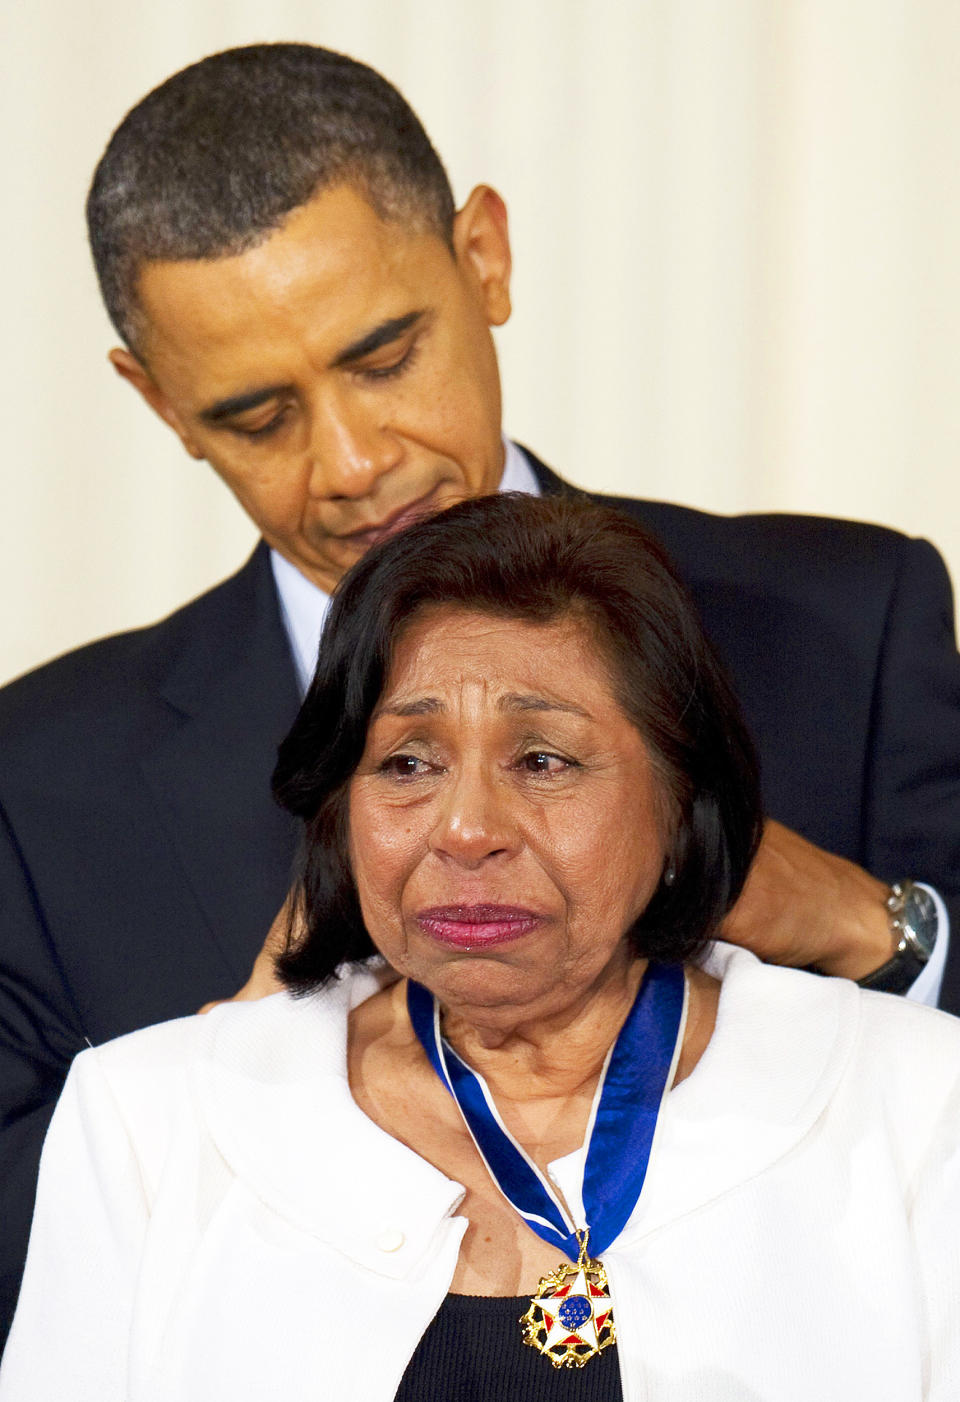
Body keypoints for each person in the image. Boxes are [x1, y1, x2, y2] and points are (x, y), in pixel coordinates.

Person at [2, 41, 960, 1345]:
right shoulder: (37, 785)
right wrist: (230, 1089)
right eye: (257, 415)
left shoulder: (845, 621)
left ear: (487, 258)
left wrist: (867, 925)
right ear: (158, 399)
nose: (351, 463)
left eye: (385, 356)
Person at [2, 494, 958, 1402]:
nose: (464, 830)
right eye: (407, 764)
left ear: (680, 802)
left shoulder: (917, 1102)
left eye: (543, 760)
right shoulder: (153, 1118)